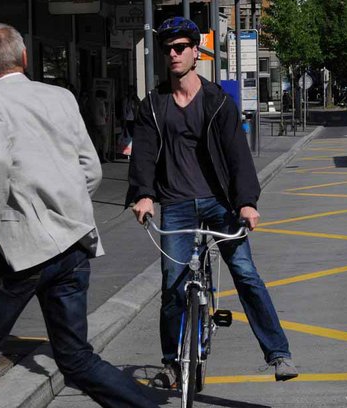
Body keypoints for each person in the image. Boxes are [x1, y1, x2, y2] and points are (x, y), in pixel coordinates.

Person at [0, 23, 158, 408]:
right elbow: (92, 169)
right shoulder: (61, 97)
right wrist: (64, 208)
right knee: (75, 358)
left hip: (22, 250)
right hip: (73, 243)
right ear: (24, 58)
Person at [126, 17, 298, 389]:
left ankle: (278, 354)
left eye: (180, 48)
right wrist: (143, 194)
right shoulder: (153, 106)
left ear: (195, 53)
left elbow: (238, 157)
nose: (173, 54)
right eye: (167, 49)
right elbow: (142, 154)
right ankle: (172, 362)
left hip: (219, 204)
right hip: (175, 204)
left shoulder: (217, 101)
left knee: (246, 274)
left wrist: (247, 203)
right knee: (172, 285)